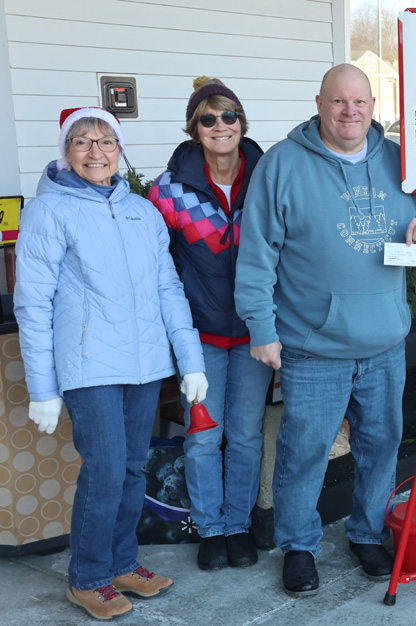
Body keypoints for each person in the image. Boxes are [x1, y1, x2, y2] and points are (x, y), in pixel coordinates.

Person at [234, 64, 416, 596]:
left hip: (385, 342)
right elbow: (257, 256)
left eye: (360, 101)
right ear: (319, 103)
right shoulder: (282, 164)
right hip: (313, 345)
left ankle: (368, 532)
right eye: (337, 102)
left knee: (381, 443)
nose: (350, 112)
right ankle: (299, 546)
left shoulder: (399, 160)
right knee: (305, 450)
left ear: (372, 105)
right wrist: (262, 328)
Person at [14, 107, 208, 620]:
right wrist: (42, 388)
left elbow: (168, 288)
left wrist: (190, 361)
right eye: (83, 142)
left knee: (128, 468)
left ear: (120, 151)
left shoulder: (142, 211)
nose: (95, 151)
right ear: (66, 150)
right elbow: (33, 303)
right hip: (90, 365)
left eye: (106, 142)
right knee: (103, 471)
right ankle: (89, 576)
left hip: (144, 365)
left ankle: (122, 562)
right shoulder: (47, 212)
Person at [148, 77, 274, 571]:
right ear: (193, 128)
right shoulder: (169, 190)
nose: (220, 126)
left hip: (253, 333)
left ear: (242, 123)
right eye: (208, 118)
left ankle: (238, 524)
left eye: (229, 116)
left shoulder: (267, 178)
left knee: (244, 434)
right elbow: (151, 264)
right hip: (198, 336)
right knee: (204, 435)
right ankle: (211, 528)